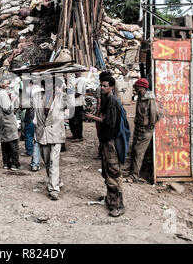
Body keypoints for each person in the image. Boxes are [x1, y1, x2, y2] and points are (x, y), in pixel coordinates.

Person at [85, 76, 125, 217]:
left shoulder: (113, 101)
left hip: (111, 142)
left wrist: (92, 117)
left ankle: (118, 206)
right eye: (101, 85)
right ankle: (110, 199)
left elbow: (109, 122)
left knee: (114, 173)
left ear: (112, 87)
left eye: (105, 86)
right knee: (107, 172)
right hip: (105, 141)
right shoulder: (107, 100)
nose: (102, 88)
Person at [33, 77, 68, 201]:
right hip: (42, 133)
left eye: (50, 85)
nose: (48, 87)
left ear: (54, 86)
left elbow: (68, 112)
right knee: (47, 161)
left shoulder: (62, 97)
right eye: (45, 85)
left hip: (56, 132)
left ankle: (54, 189)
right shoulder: (37, 96)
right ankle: (56, 180)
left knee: (54, 161)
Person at [128, 78, 159, 182]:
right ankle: (134, 172)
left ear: (142, 88)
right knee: (134, 151)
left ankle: (134, 176)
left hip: (145, 130)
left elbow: (154, 117)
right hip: (138, 128)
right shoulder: (140, 98)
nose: (136, 89)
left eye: (137, 87)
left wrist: (147, 129)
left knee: (138, 152)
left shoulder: (150, 100)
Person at [0, 77, 20, 171]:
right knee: (12, 144)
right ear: (1, 84)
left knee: (4, 143)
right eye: (6, 83)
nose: (8, 84)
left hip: (1, 122)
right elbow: (7, 108)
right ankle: (14, 164)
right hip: (7, 122)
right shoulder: (3, 94)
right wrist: (12, 100)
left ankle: (6, 163)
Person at [68, 72, 87, 142]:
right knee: (72, 120)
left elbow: (79, 92)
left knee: (77, 121)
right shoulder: (73, 79)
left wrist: (70, 97)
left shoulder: (81, 80)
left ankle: (79, 136)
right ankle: (74, 134)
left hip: (78, 103)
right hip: (72, 103)